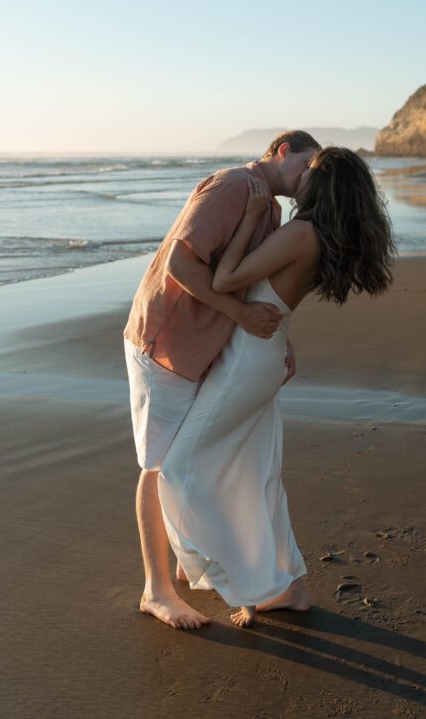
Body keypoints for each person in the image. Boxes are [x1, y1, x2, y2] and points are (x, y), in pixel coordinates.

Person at [158, 146, 396, 627]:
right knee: (256, 474)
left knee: (179, 470)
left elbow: (225, 279)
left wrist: (248, 217)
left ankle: (245, 584)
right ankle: (289, 586)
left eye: (310, 172)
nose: (301, 178)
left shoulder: (302, 233)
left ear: (323, 185)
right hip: (263, 355)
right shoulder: (318, 235)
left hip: (248, 362)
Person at [122, 130, 321, 630]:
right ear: (283, 151)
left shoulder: (270, 209)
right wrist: (240, 313)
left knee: (189, 459)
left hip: (205, 345)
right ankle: (157, 590)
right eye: (306, 166)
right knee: (159, 464)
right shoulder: (233, 186)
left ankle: (224, 571)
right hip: (166, 343)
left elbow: (260, 289)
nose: (308, 179)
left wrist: (278, 337)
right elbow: (179, 263)